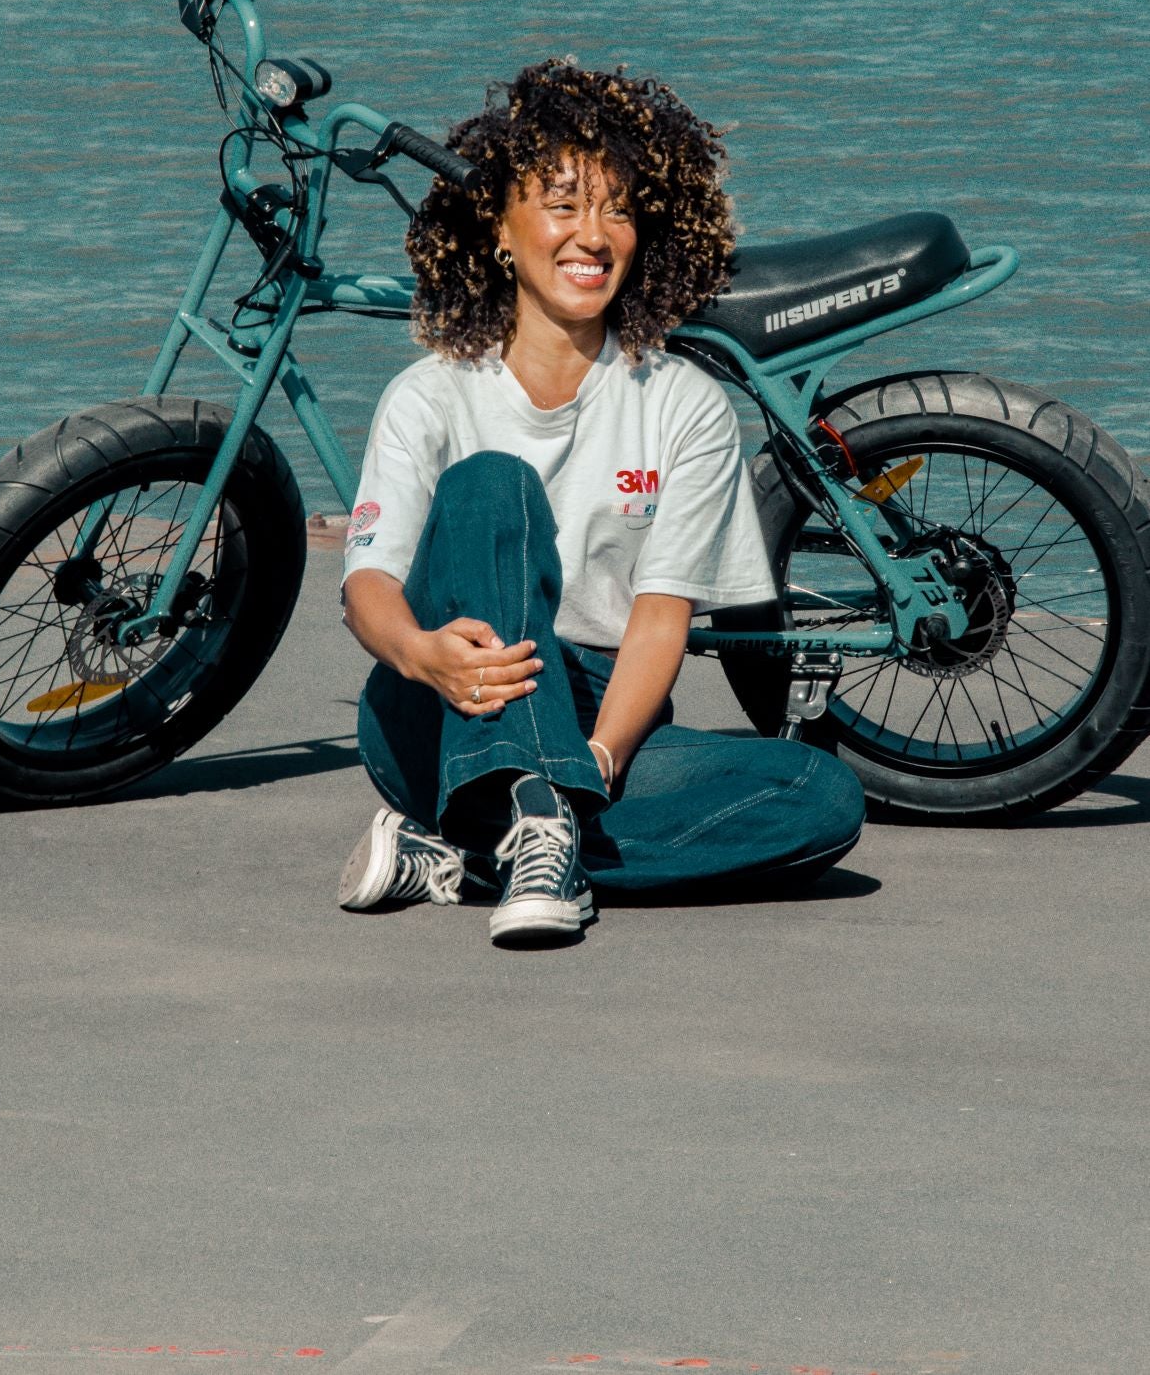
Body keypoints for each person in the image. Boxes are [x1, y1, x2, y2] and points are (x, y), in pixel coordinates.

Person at [337, 60, 864, 946]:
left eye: (617, 208)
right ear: (500, 226)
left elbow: (660, 618)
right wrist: (424, 655)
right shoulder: (429, 396)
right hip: (435, 712)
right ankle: (536, 824)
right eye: (564, 203)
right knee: (491, 484)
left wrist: (605, 755)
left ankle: (474, 854)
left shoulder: (684, 401)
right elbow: (368, 589)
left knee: (821, 796)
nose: (593, 234)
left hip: (603, 707)